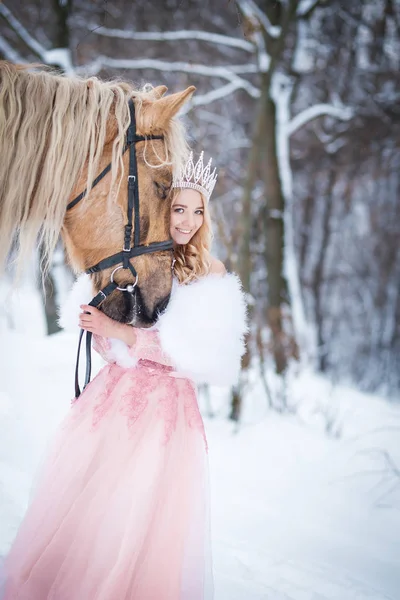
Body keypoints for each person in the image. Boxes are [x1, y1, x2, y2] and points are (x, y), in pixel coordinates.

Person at [1, 151, 247, 600]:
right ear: (163, 208)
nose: (187, 221)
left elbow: (202, 355)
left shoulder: (209, 272)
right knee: (93, 500)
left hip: (166, 411)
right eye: (178, 209)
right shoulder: (136, 257)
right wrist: (102, 325)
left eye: (197, 211)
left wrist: (122, 333)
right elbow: (104, 341)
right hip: (115, 396)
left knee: (144, 512)